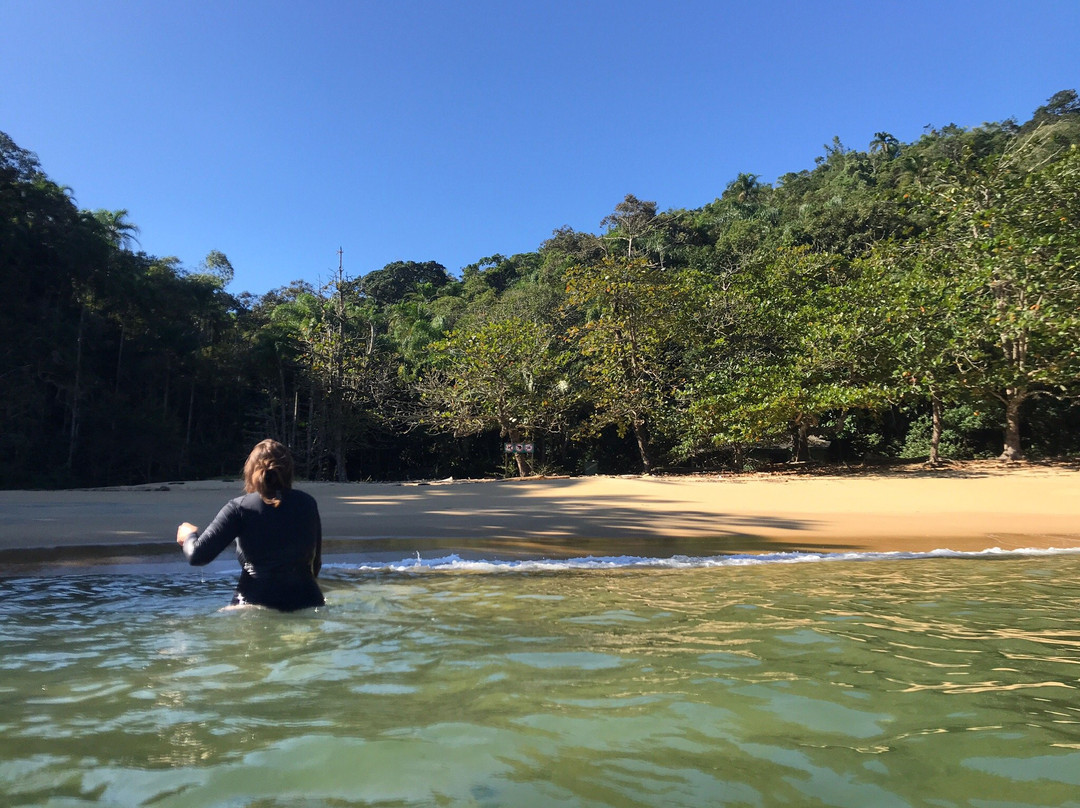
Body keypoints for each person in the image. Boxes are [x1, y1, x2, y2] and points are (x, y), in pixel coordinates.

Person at [176, 439, 324, 612]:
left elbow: (197, 556)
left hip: (256, 603)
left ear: (250, 471)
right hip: (308, 601)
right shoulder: (307, 503)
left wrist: (189, 536)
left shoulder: (240, 508)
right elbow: (316, 564)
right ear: (289, 471)